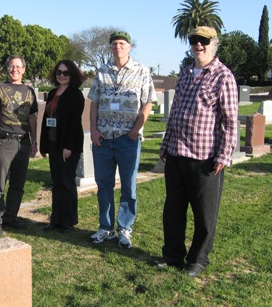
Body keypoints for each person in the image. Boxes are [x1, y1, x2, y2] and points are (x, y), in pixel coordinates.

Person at [158, 26, 239, 277]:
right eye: (194, 40)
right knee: (173, 210)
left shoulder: (222, 76)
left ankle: (198, 259)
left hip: (205, 158)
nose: (198, 45)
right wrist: (166, 144)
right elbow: (175, 114)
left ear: (213, 44)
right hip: (177, 154)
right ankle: (172, 255)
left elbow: (229, 121)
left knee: (204, 214)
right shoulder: (185, 74)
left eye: (203, 41)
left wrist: (224, 155)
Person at [88, 31, 157, 249]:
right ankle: (105, 227)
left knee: (129, 186)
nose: (118, 47)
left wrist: (135, 131)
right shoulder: (102, 72)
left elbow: (148, 102)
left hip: (128, 138)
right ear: (110, 48)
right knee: (104, 185)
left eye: (122, 43)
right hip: (104, 139)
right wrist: (94, 130)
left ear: (129, 47)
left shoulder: (142, 71)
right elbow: (94, 103)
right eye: (114, 44)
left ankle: (125, 228)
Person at [0, 55, 38, 237]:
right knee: (0, 182)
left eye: (18, 66)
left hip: (23, 142)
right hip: (5, 140)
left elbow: (32, 117)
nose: (14, 69)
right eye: (11, 66)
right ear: (7, 69)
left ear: (24, 69)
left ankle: (11, 216)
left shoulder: (30, 91)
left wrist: (34, 140)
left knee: (18, 183)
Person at [40, 60, 86, 233]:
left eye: (65, 73)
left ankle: (68, 221)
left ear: (72, 75)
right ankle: (55, 219)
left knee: (67, 183)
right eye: (59, 72)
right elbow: (47, 120)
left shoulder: (75, 95)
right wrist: (44, 145)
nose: (61, 75)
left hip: (69, 146)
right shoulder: (52, 93)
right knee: (57, 182)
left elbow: (75, 123)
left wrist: (68, 147)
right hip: (54, 144)